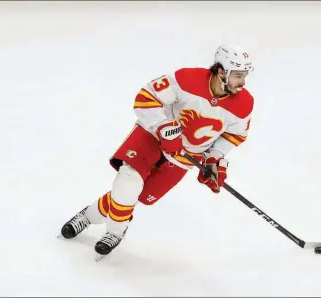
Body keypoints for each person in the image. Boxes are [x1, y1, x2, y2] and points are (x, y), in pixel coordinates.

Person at [60, 45, 255, 258]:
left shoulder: (244, 104)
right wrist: (162, 127)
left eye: (244, 76)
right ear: (221, 72)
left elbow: (234, 136)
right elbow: (146, 96)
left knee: (136, 196)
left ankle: (89, 215)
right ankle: (114, 231)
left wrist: (213, 160)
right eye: (238, 76)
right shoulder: (186, 79)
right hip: (152, 136)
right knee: (129, 181)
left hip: (185, 156)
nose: (243, 82)